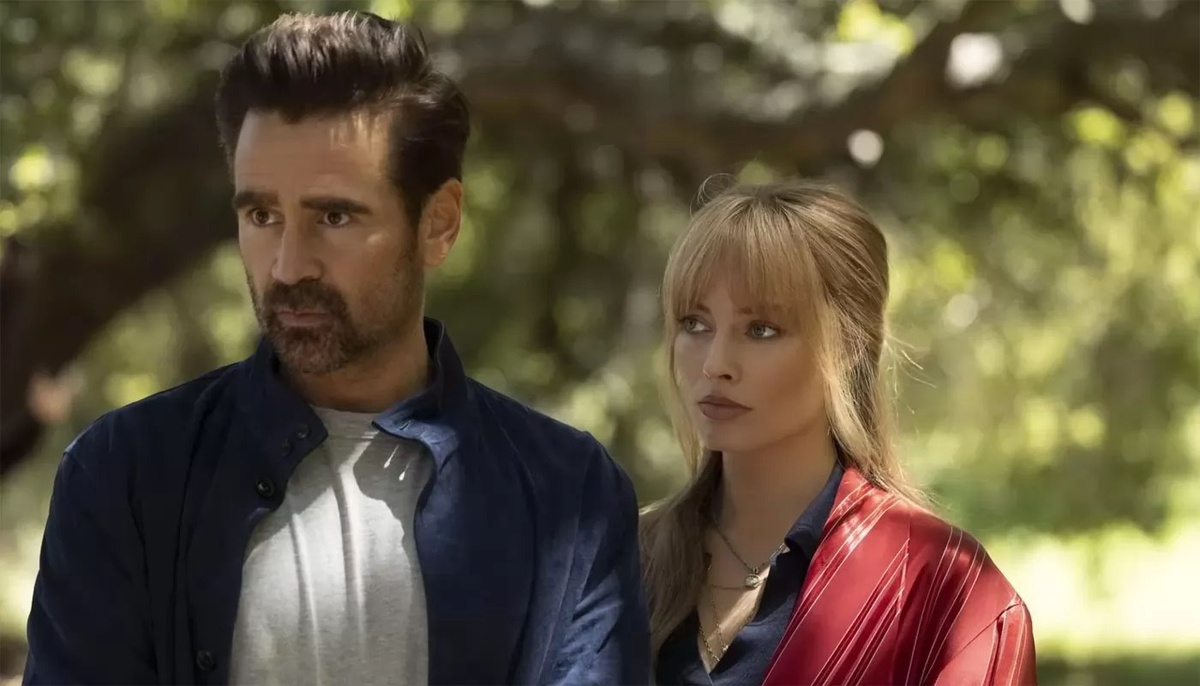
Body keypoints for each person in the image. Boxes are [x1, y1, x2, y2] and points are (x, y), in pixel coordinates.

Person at [24, 11, 649, 686]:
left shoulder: (570, 495)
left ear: (438, 224)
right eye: (262, 215)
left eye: (335, 216)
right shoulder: (123, 475)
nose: (289, 265)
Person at [639, 178, 1037, 685]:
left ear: (850, 345)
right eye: (694, 324)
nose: (715, 364)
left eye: (761, 330)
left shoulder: (942, 590)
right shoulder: (620, 561)